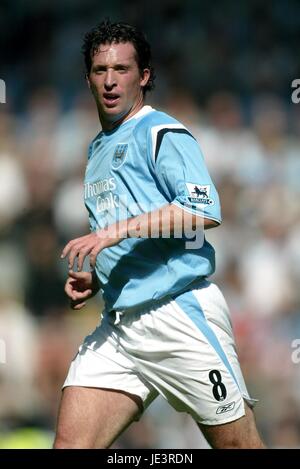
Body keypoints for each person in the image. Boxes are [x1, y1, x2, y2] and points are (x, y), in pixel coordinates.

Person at [54, 19, 264, 449]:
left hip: (177, 314)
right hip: (119, 327)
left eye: (123, 70)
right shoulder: (97, 149)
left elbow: (202, 209)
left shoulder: (161, 132)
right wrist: (99, 278)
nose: (110, 81)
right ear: (88, 78)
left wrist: (113, 235)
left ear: (144, 76)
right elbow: (130, 238)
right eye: (100, 71)